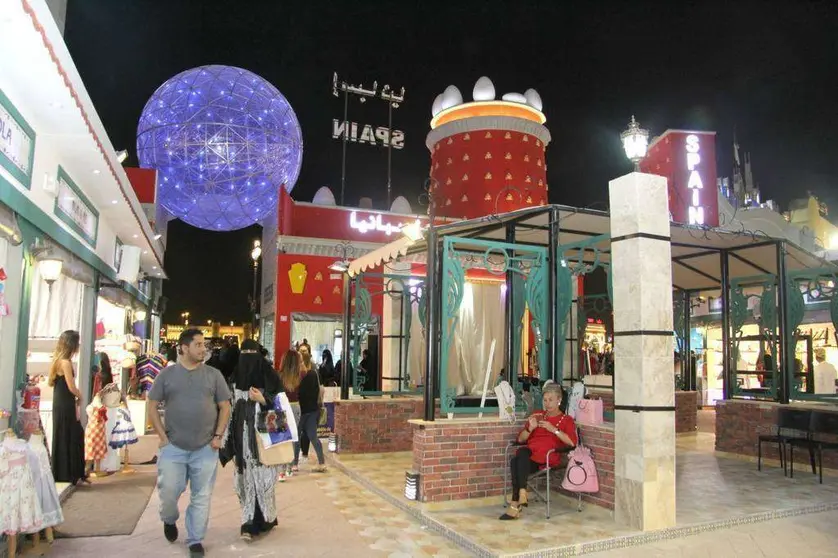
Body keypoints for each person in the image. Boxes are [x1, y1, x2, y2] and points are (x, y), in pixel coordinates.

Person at [148, 329, 232, 557]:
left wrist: (218, 436)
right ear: (184, 348)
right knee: (169, 492)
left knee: (202, 495)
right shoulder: (167, 375)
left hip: (205, 448)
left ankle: (195, 539)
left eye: (204, 345)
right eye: (198, 345)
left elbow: (225, 406)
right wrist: (162, 437)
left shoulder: (214, 375)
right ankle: (169, 518)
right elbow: (152, 405)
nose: (204, 349)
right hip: (173, 447)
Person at [221, 340, 282, 540]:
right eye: (244, 353)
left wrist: (264, 401)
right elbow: (227, 408)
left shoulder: (270, 376)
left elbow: (281, 407)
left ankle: (266, 517)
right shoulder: (234, 376)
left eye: (251, 353)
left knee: (264, 479)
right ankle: (248, 521)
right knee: (244, 479)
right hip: (241, 438)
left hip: (263, 437)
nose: (247, 358)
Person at [500, 383, 577, 520]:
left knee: (516, 461)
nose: (547, 404)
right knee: (520, 456)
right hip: (530, 456)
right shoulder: (537, 414)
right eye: (545, 400)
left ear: (559, 400)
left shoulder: (566, 420)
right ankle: (521, 493)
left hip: (548, 458)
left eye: (551, 400)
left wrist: (554, 429)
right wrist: (530, 428)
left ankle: (515, 503)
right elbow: (521, 439)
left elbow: (572, 442)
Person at [49, 330, 88, 485]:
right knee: (72, 434)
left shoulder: (58, 361)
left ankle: (64, 471)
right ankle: (72, 472)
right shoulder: (65, 362)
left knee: (63, 433)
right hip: (66, 403)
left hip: (60, 402)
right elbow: (71, 386)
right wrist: (80, 395)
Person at [297, 343, 327, 473]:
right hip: (310, 409)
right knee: (311, 436)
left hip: (304, 410)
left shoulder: (304, 375)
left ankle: (293, 463)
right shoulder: (312, 374)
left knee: (298, 437)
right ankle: (321, 462)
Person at [278, 350, 303, 477]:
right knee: (294, 437)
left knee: (282, 438)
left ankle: (282, 469)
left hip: (282, 407)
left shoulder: (279, 375)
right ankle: (290, 465)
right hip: (296, 407)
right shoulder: (301, 375)